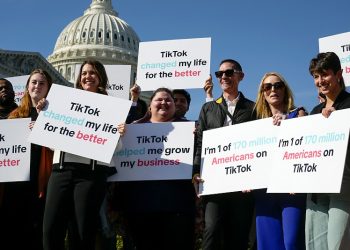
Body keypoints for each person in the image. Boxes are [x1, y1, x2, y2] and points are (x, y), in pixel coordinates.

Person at [42, 60, 124, 250]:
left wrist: (117, 134)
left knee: (81, 231)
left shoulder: (111, 107)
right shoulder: (62, 102)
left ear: (101, 77)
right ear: (79, 77)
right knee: (50, 228)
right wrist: (44, 118)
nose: (88, 77)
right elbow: (52, 143)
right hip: (61, 169)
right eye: (84, 73)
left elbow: (116, 149)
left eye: (93, 73)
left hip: (91, 174)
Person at [119, 87, 196, 250]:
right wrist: (119, 136)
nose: (164, 102)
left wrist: (197, 138)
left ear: (174, 107)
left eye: (169, 100)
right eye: (159, 99)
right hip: (140, 208)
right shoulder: (133, 128)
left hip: (177, 208)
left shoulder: (190, 129)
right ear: (150, 106)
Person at [193, 59, 256, 250]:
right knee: (211, 231)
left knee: (237, 235)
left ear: (241, 76)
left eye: (229, 72)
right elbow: (200, 143)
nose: (224, 77)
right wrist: (196, 171)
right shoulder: (208, 108)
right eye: (220, 74)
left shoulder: (253, 108)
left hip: (242, 184)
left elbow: (259, 145)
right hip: (214, 183)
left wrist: (253, 177)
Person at [253, 72, 307, 250]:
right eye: (267, 87)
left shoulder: (299, 116)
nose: (273, 89)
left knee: (292, 243)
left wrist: (292, 124)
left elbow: (308, 149)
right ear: (262, 93)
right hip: (264, 193)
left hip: (292, 191)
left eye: (278, 85)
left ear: (285, 89)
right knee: (268, 245)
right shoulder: (255, 125)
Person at [0, 69, 53, 250]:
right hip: (15, 185)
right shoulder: (14, 115)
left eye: (42, 83)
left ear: (48, 88)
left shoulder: (55, 115)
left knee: (36, 235)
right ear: (27, 86)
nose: (37, 86)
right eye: (34, 82)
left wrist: (43, 127)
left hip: (41, 182)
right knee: (13, 233)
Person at [305, 52, 350, 250]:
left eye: (325, 74)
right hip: (316, 190)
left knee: (337, 245)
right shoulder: (314, 112)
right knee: (316, 245)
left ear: (339, 74)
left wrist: (338, 118)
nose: (320, 81)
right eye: (316, 76)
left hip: (344, 187)